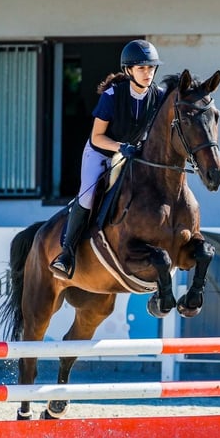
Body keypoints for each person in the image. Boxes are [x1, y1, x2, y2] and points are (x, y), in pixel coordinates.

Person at [50, 39, 166, 279]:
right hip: (101, 152)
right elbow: (97, 137)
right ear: (129, 71)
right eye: (142, 68)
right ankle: (67, 254)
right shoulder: (113, 95)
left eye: (151, 68)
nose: (148, 73)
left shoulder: (159, 96)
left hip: (132, 156)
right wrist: (121, 147)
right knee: (88, 195)